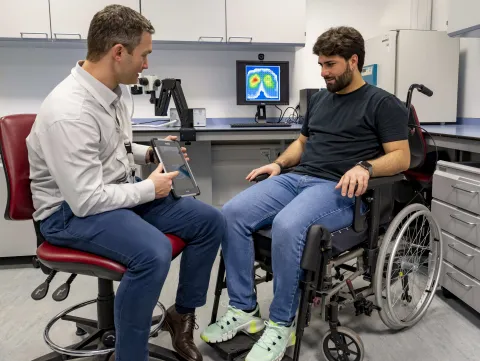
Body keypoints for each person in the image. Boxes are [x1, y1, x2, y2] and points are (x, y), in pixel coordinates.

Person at [26, 5, 225, 361]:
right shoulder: (69, 111)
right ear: (119, 52)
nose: (146, 64)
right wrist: (151, 188)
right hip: (68, 214)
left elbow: (113, 147)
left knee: (210, 221)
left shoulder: (113, 92)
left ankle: (181, 315)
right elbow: (86, 200)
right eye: (144, 55)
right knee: (153, 252)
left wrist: (148, 155)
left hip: (113, 196)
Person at [200, 26, 411, 361]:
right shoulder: (321, 99)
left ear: (353, 61)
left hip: (338, 188)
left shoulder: (382, 103)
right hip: (296, 178)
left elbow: (402, 156)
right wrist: (279, 166)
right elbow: (303, 142)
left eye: (330, 64)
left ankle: (282, 325)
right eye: (321, 64)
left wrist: (366, 168)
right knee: (231, 214)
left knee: (287, 225)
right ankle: (244, 310)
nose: (323, 72)